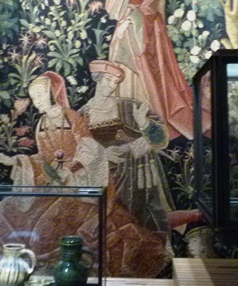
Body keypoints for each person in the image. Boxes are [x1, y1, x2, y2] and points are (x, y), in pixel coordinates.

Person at [0, 72, 168, 278]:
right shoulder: (41, 123)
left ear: (51, 94)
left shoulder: (72, 117)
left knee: (46, 225)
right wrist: (15, 161)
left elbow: (89, 149)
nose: (36, 101)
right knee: (7, 208)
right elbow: (43, 159)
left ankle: (55, 265)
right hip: (56, 183)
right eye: (33, 97)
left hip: (81, 182)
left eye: (39, 95)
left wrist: (71, 169)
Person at [80, 60, 203, 238]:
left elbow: (161, 140)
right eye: (108, 80)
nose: (112, 86)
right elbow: (81, 151)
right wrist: (103, 155)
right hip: (103, 178)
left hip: (136, 174)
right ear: (97, 79)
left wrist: (144, 123)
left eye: (116, 82)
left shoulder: (130, 106)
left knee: (145, 221)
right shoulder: (83, 114)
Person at [105, 0, 194, 140]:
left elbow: (150, 6)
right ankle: (122, 116)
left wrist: (133, 15)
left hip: (141, 27)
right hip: (125, 25)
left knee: (142, 69)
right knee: (121, 67)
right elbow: (117, 0)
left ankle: (145, 117)